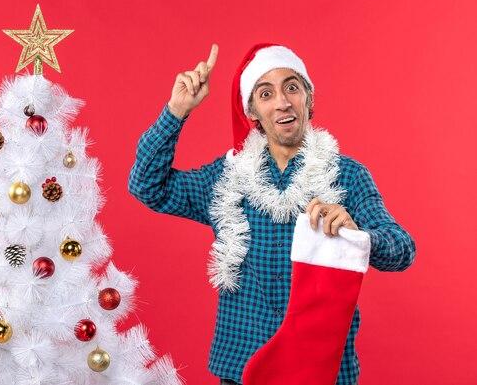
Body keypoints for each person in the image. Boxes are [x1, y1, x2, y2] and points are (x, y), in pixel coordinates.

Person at [128, 43, 415, 385]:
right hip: (242, 366)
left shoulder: (347, 175)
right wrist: (176, 111)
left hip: (321, 370)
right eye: (266, 93)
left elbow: (403, 249)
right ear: (252, 111)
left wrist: (359, 234)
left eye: (292, 87)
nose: (282, 101)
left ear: (308, 99)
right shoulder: (226, 177)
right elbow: (147, 186)